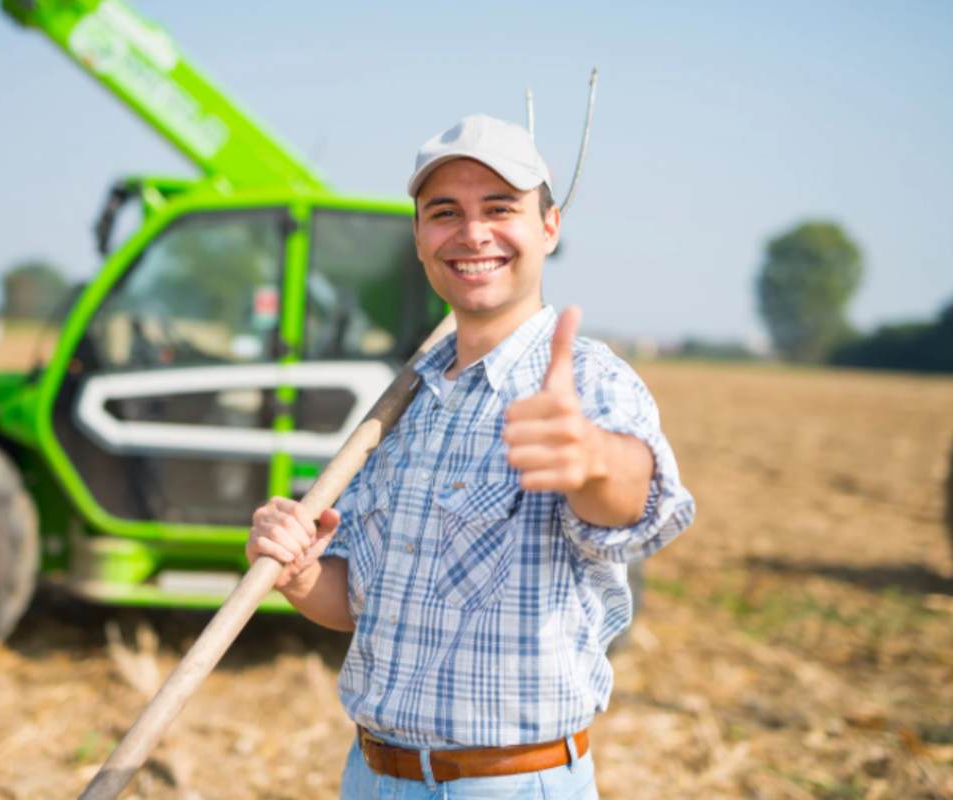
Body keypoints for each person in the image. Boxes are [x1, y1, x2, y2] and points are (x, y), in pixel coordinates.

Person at [246, 114, 696, 798]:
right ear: (421, 239)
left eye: (500, 209)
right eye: (444, 212)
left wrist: (594, 461)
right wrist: (301, 574)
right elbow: (361, 604)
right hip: (372, 777)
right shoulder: (401, 407)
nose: (472, 233)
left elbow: (632, 501)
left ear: (549, 227)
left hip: (508, 785)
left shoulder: (588, 382)